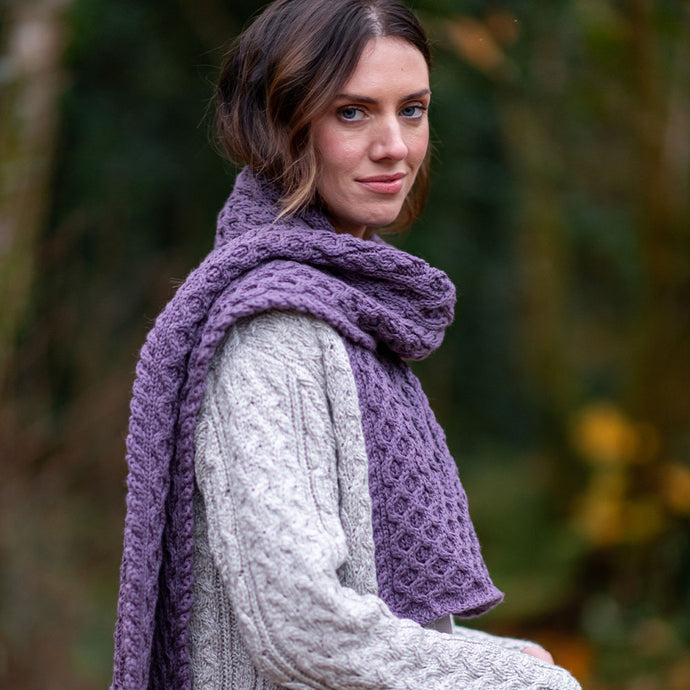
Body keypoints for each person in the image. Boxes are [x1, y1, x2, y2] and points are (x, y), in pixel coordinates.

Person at [111, 1, 582, 688]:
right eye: (353, 112)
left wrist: (504, 659)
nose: (395, 146)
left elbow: (361, 599)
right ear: (281, 126)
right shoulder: (275, 330)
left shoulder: (345, 307)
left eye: (412, 110)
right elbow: (304, 628)